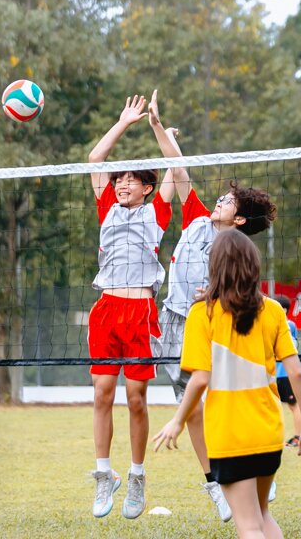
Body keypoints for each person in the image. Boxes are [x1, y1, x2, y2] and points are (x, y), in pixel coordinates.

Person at [153, 229, 301, 539]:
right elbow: (296, 374)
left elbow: (199, 378)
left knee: (248, 526)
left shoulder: (202, 315)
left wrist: (177, 421)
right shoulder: (272, 311)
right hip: (268, 432)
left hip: (229, 436)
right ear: (252, 266)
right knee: (262, 517)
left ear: (214, 267)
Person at [154, 107, 278, 522]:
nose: (219, 201)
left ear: (239, 219)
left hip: (216, 323)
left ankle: (255, 464)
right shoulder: (196, 219)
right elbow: (178, 164)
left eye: (226, 201)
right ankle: (214, 484)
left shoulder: (238, 251)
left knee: (230, 398)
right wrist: (157, 126)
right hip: (176, 322)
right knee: (189, 406)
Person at [86, 93, 183, 519]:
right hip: (105, 309)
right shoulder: (106, 205)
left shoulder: (156, 212)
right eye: (119, 178)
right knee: (102, 394)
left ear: (146, 187)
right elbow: (94, 157)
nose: (122, 183)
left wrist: (159, 129)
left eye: (131, 179)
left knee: (137, 398)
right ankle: (104, 474)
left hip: (140, 311)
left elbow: (176, 170)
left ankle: (138, 475)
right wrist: (125, 122)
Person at [274, 295, 301, 449]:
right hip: (273, 373)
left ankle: (297, 437)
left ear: (283, 309)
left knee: (293, 405)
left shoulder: (289, 325)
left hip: (285, 374)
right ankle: (277, 439)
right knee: (273, 407)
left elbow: (292, 347)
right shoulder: (273, 323)